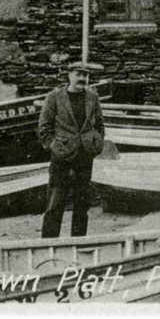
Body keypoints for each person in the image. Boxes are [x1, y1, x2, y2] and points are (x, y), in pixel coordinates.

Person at [37, 60, 106, 238]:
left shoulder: (93, 97)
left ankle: (78, 242)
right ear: (69, 75)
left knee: (82, 204)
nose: (82, 78)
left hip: (85, 156)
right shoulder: (54, 97)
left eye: (86, 75)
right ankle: (49, 244)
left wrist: (95, 144)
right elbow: (44, 128)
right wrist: (55, 147)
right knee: (55, 203)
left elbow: (99, 124)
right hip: (62, 157)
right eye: (78, 74)